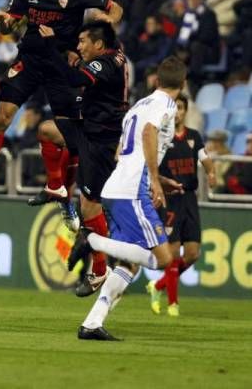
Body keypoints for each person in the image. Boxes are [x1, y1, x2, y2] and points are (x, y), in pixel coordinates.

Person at [0, 0, 122, 213]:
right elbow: (11, 23)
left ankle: (64, 197)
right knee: (2, 116)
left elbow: (115, 8)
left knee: (66, 132)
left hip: (62, 64)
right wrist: (3, 21)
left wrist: (107, 24)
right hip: (30, 59)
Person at [68, 56, 187, 341]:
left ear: (157, 79)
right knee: (163, 259)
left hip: (117, 187)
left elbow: (121, 151)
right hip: (132, 192)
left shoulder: (139, 104)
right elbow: (148, 133)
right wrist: (153, 180)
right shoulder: (166, 105)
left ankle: (92, 324)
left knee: (128, 264)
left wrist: (156, 178)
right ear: (182, 85)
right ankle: (91, 240)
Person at [29, 21, 128, 296]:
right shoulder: (114, 53)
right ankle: (56, 186)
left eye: (84, 41)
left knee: (90, 207)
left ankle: (99, 270)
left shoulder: (106, 64)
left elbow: (75, 80)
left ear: (99, 45)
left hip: (101, 141)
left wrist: (52, 46)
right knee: (47, 131)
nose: (80, 46)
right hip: (89, 129)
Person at [147, 93, 216, 316]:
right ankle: (173, 303)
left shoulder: (194, 136)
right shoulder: (162, 140)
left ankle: (157, 286)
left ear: (186, 111)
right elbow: (153, 169)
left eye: (181, 107)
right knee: (174, 253)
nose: (177, 112)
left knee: (193, 253)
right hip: (170, 199)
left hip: (189, 198)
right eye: (174, 107)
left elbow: (204, 158)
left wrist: (212, 171)